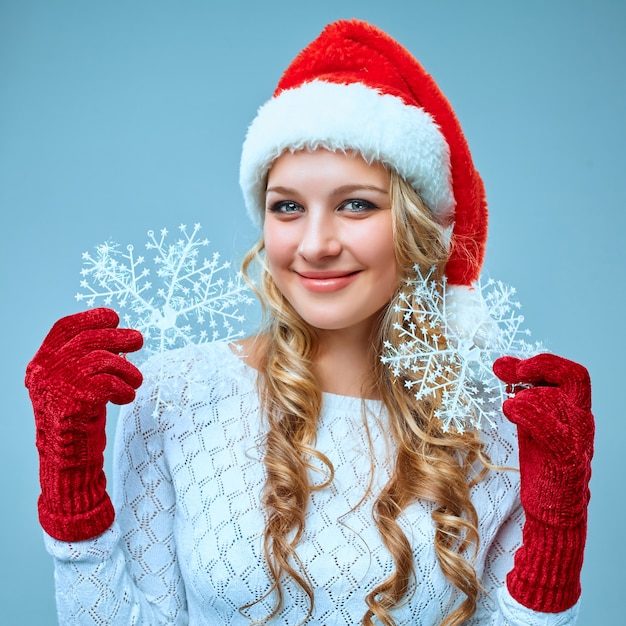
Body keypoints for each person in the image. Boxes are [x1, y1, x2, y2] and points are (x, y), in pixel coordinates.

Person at [25, 19, 593, 626]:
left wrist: (556, 535)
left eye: (356, 205)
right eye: (288, 207)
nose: (316, 244)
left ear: (416, 226)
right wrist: (72, 486)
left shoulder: (490, 431)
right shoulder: (174, 394)